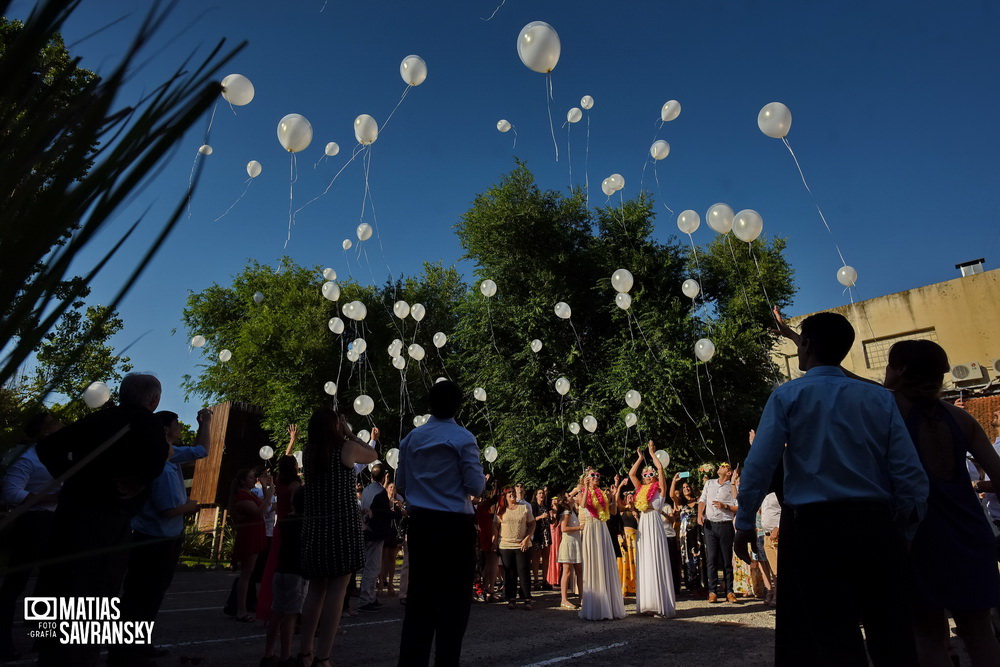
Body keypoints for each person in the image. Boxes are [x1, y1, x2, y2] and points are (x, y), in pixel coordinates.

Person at [734, 311, 929, 666]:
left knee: (827, 633)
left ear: (805, 345)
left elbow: (759, 465)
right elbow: (908, 473)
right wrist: (903, 529)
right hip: (874, 524)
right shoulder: (879, 398)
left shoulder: (787, 396)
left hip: (814, 528)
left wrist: (745, 521)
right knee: (890, 631)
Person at [35, 372, 170, 667]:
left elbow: (46, 446)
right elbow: (158, 458)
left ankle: (48, 653)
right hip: (106, 521)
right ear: (153, 400)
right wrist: (139, 480)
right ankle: (80, 658)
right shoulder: (146, 422)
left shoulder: (99, 420)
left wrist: (71, 477)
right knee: (95, 597)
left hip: (68, 518)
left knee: (58, 592)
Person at [884, 340, 1000, 666]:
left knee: (928, 634)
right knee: (979, 632)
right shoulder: (961, 419)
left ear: (900, 370)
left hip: (920, 538)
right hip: (970, 535)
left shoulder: (888, 410)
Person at [110, 408, 212, 666]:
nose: (180, 428)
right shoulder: (161, 466)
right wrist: (192, 506)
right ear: (166, 430)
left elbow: (201, 451)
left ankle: (139, 646)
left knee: (148, 596)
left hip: (162, 538)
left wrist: (205, 423)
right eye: (177, 424)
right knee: (142, 596)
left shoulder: (170, 455)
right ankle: (126, 652)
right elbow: (167, 510)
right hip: (154, 541)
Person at [396, 380, 485, 666]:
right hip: (455, 528)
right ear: (457, 406)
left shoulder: (411, 438)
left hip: (422, 525)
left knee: (420, 602)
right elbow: (476, 486)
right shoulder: (463, 438)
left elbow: (401, 484)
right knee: (454, 605)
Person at [298, 408, 377, 667]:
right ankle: (324, 656)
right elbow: (373, 454)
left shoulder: (309, 453)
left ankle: (306, 651)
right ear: (336, 426)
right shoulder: (346, 449)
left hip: (316, 526)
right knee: (336, 592)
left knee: (315, 591)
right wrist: (350, 433)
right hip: (342, 527)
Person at [0, 412, 62, 661]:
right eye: (57, 425)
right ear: (45, 432)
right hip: (32, 522)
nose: (62, 429)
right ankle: (3, 643)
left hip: (53, 523)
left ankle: (43, 640)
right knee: (15, 584)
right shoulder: (28, 458)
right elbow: (11, 492)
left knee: (49, 585)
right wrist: (49, 498)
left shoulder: (59, 456)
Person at [260, 486, 308, 667]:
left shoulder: (284, 521)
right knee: (290, 615)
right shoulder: (306, 523)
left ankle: (268, 652)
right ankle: (286, 656)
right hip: (296, 573)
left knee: (277, 612)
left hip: (280, 570)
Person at [629, 441, 676, 617]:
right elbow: (632, 473)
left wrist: (652, 453)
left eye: (651, 474)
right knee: (646, 561)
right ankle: (648, 604)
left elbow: (662, 470)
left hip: (654, 523)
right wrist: (640, 458)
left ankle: (661, 604)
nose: (648, 476)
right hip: (643, 524)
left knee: (656, 558)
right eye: (646, 474)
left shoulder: (660, 490)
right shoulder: (641, 489)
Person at [577, 468, 625, 621]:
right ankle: (596, 606)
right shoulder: (582, 491)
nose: (596, 477)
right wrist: (585, 488)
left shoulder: (602, 493)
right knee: (594, 563)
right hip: (591, 529)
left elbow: (613, 511)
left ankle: (608, 605)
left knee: (605, 563)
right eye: (593, 475)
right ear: (587, 478)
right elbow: (583, 505)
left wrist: (613, 495)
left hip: (602, 528)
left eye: (598, 475)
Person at [231, 467, 274, 622]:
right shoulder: (242, 497)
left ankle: (244, 605)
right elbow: (260, 512)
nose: (253, 480)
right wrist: (269, 493)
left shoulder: (249, 494)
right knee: (246, 573)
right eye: (250, 477)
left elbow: (266, 506)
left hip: (256, 533)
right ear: (243, 481)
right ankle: (241, 609)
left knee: (250, 572)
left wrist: (265, 487)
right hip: (249, 536)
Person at [698, 461, 737, 603]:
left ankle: (729, 591)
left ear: (729, 472)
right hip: (710, 525)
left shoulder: (732, 486)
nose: (720, 466)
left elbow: (737, 506)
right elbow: (702, 500)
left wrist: (724, 505)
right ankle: (712, 591)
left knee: (727, 560)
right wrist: (699, 514)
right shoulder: (709, 483)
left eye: (724, 466)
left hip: (725, 525)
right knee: (711, 559)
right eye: (720, 465)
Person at [495, 486, 535, 608]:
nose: (512, 494)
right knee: (509, 572)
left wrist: (527, 538)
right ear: (505, 496)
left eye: (513, 492)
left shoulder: (525, 507)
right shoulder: (501, 509)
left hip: (521, 543)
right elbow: (495, 526)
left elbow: (532, 523)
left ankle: (527, 598)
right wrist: (495, 541)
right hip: (505, 545)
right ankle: (511, 598)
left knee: (523, 570)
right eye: (509, 493)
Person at [359, 462, 391, 613]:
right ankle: (366, 598)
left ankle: (370, 596)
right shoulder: (380, 492)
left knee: (370, 566)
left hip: (367, 530)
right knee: (372, 566)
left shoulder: (366, 490)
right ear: (384, 476)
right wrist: (398, 513)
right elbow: (384, 513)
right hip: (375, 532)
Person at [557, 493, 583, 609]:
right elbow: (564, 528)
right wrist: (579, 527)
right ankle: (564, 599)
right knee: (567, 571)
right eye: (569, 496)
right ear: (566, 501)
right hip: (568, 543)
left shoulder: (573, 512)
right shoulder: (567, 512)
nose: (572, 497)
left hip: (575, 542)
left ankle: (582, 597)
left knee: (579, 570)